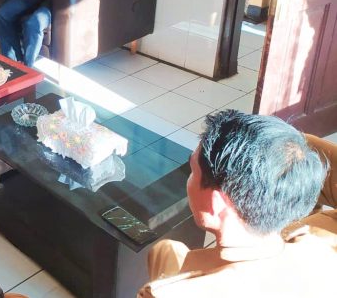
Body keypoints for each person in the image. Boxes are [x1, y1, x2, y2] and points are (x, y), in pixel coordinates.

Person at [138, 110, 337, 297]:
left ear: (215, 205)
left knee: (164, 249)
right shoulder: (321, 253)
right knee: (165, 249)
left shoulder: (168, 293)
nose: (189, 178)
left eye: (192, 171)